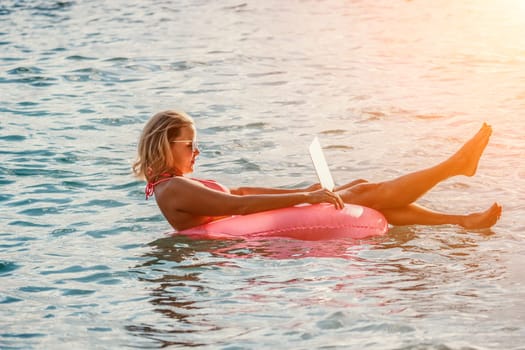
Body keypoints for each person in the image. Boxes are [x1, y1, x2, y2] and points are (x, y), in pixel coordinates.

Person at [133, 110, 502, 232]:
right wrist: (308, 198)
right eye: (190, 145)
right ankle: (454, 166)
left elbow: (242, 194)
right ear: (166, 145)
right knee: (362, 193)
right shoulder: (173, 189)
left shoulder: (177, 183)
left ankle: (460, 220)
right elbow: (242, 209)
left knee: (358, 187)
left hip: (259, 217)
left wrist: (302, 189)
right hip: (254, 236)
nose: (197, 151)